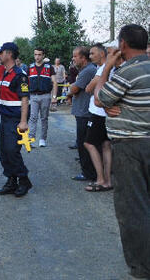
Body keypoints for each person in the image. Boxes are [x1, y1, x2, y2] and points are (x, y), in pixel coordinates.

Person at [94, 24, 150, 279]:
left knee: (133, 208)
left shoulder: (127, 71)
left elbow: (99, 98)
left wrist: (107, 67)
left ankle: (142, 267)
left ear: (123, 44)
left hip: (131, 147)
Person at [0, 42, 33, 197]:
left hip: (15, 119)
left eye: (1, 53)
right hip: (5, 118)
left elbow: (25, 99)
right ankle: (11, 181)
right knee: (4, 151)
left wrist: (23, 121)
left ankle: (24, 180)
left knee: (11, 150)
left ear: (9, 54)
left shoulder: (19, 75)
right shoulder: (6, 72)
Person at [82, 43, 112, 192]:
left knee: (89, 143)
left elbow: (89, 88)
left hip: (99, 113)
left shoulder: (103, 69)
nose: (90, 56)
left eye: (93, 53)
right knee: (106, 145)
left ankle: (100, 180)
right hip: (105, 113)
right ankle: (108, 180)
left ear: (102, 54)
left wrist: (91, 85)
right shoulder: (108, 68)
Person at [66, 46, 98, 182]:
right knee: (84, 142)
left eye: (75, 56)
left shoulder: (88, 71)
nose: (73, 59)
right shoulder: (86, 70)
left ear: (83, 58)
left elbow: (74, 88)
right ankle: (88, 169)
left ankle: (88, 173)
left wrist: (69, 93)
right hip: (83, 111)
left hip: (85, 113)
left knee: (83, 143)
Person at [27, 48, 57, 148]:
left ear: (43, 55)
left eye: (39, 55)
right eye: (35, 54)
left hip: (45, 96)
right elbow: (25, 82)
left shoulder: (49, 67)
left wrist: (54, 97)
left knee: (44, 118)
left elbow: (55, 82)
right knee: (33, 117)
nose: (37, 57)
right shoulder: (30, 67)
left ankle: (43, 139)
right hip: (33, 96)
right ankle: (31, 139)